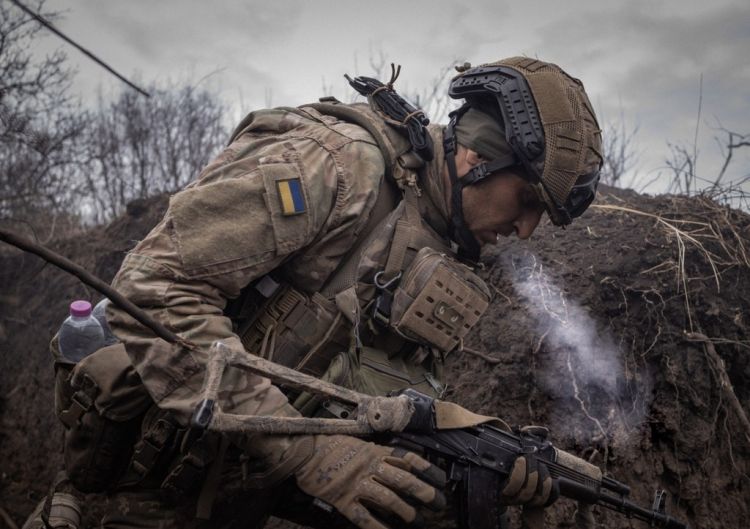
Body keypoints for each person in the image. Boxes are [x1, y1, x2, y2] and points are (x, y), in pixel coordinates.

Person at [35, 56, 602, 529]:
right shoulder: (338, 168)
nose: (525, 230)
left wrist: (486, 462)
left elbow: (366, 403)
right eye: (526, 200)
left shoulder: (435, 248)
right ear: (477, 158)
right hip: (129, 496)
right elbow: (154, 286)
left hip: (233, 502)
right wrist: (303, 451)